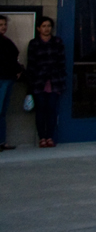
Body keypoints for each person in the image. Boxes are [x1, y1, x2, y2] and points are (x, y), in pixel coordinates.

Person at [26, 16, 67, 148]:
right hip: (39, 81)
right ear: (39, 28)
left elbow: (61, 61)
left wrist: (61, 77)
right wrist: (30, 84)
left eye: (48, 26)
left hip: (54, 80)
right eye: (43, 26)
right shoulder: (34, 43)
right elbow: (31, 64)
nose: (46, 29)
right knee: (41, 109)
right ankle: (42, 137)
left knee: (51, 109)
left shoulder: (57, 42)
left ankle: (50, 137)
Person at [0, 15, 26, 151]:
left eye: (5, 24)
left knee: (3, 112)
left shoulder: (6, 41)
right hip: (2, 78)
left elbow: (13, 58)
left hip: (8, 78)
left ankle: (2, 141)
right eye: (0, 25)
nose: (3, 27)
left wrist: (18, 70)